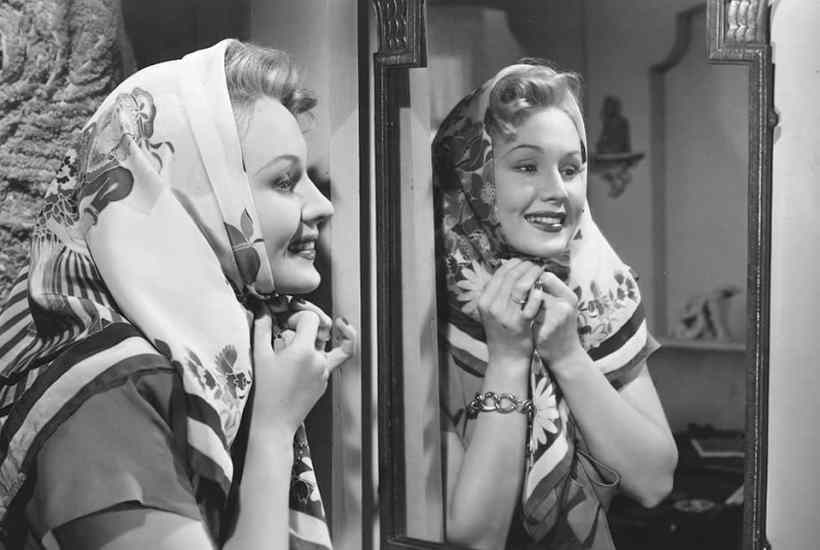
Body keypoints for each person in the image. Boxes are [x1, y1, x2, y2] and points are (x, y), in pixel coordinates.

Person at [0, 39, 356, 549]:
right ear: (183, 199)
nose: (321, 205)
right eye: (284, 181)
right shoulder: (106, 395)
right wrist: (275, 429)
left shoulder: (204, 370)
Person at [433, 62, 677, 550]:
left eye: (570, 169)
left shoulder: (594, 293)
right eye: (527, 167)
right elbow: (476, 536)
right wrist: (508, 358)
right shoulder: (424, 311)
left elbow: (654, 481)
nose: (558, 192)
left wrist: (566, 354)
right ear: (473, 177)